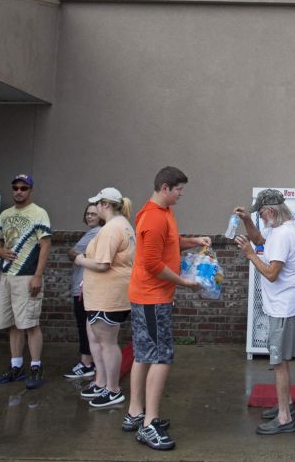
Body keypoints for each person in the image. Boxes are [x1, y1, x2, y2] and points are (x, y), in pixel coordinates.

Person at [122, 166, 210, 451]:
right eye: (179, 189)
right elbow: (152, 264)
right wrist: (184, 282)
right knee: (160, 357)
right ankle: (149, 424)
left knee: (144, 354)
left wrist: (194, 241)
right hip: (152, 298)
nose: (181, 194)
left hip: (148, 297)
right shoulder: (153, 218)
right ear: (165, 188)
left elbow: (170, 245)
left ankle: (136, 412)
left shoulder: (163, 214)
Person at [234, 189, 295, 435]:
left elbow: (271, 274)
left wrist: (250, 255)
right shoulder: (279, 229)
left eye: (261, 214)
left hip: (283, 307)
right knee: (281, 360)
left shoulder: (282, 236)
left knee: (279, 362)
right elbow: (260, 239)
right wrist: (246, 220)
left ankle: (285, 418)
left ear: (272, 211)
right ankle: (287, 404)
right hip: (285, 304)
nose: (261, 218)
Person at [74, 187, 136, 408]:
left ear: (105, 205)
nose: (94, 209)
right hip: (103, 295)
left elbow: (102, 264)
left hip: (107, 296)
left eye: (97, 204)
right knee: (97, 339)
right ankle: (101, 382)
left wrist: (80, 260)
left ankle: (113, 389)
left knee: (107, 343)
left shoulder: (112, 228)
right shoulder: (121, 225)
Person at [0, 173, 53, 390]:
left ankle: (36, 366)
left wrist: (37, 275)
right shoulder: (5, 214)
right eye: (15, 187)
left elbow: (45, 245)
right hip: (7, 275)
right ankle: (16, 366)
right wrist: (0, 251)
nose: (19, 191)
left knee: (30, 323)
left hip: (27, 274)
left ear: (30, 190)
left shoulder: (39, 213)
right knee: (12, 324)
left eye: (23, 188)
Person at [64, 203, 103, 380]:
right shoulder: (94, 233)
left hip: (83, 287)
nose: (89, 217)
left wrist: (76, 254)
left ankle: (86, 363)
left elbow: (73, 253)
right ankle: (92, 361)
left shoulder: (96, 232)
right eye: (87, 213)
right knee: (90, 327)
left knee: (84, 325)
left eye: (94, 214)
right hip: (87, 286)